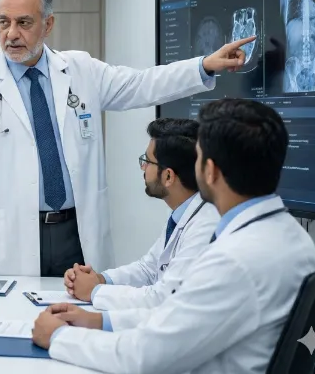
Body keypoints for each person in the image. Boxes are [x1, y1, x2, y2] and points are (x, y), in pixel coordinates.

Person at [0, 0, 255, 280]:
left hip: (76, 229)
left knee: (80, 313)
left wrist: (203, 65)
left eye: (24, 22)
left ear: (48, 24)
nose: (11, 33)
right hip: (7, 237)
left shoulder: (80, 69)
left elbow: (141, 84)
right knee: (11, 321)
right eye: (3, 22)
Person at [32, 98, 315, 374]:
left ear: (209, 170)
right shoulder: (293, 237)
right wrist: (99, 320)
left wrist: (59, 338)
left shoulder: (235, 260)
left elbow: (146, 356)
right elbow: (177, 313)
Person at [63, 118, 220, 328]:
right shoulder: (183, 211)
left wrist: (94, 291)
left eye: (147, 161)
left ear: (168, 176)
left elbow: (162, 300)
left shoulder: (205, 226)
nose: (143, 167)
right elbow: (149, 269)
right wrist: (100, 279)